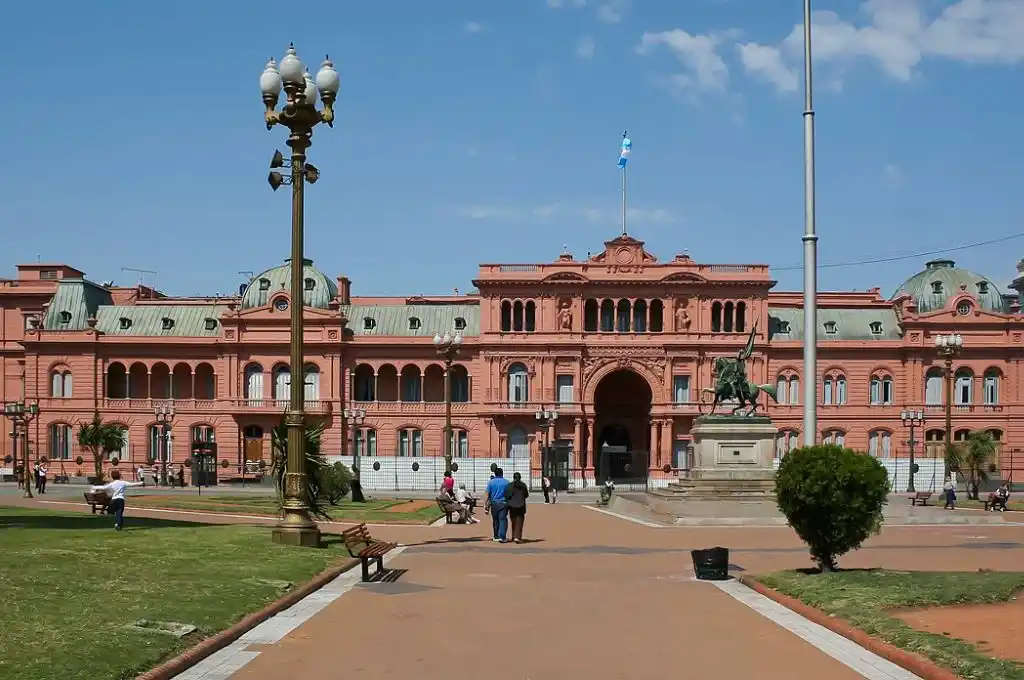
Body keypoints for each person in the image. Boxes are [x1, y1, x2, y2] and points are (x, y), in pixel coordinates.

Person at [485, 467, 510, 542]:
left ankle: (496, 536)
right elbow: (509, 494)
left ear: (495, 474)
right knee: (502, 519)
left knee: (495, 520)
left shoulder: (491, 482)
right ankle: (502, 536)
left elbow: (487, 493)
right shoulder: (506, 482)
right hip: (503, 502)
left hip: (494, 503)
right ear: (502, 473)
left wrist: (486, 504)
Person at [505, 472, 530, 543]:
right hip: (521, 505)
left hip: (512, 505)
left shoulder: (509, 485)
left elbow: (507, 495)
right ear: (520, 477)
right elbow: (526, 495)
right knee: (520, 521)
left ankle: (513, 536)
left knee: (513, 521)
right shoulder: (523, 485)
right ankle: (517, 537)